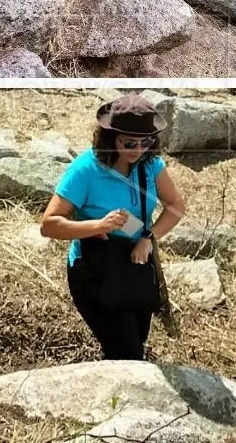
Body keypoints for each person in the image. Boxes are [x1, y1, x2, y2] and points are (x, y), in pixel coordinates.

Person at [40, 95, 188, 361]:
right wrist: (97, 224)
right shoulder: (85, 169)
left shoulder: (150, 165)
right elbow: (49, 225)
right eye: (129, 143)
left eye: (147, 142)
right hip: (95, 269)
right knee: (126, 352)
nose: (138, 149)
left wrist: (149, 237)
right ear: (110, 137)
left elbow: (176, 205)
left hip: (136, 265)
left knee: (138, 339)